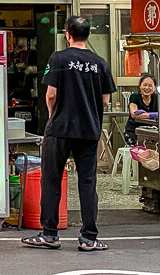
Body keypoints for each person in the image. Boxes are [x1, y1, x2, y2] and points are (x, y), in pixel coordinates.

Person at [23, 16, 115, 252]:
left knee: (52, 180)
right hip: (89, 130)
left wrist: (53, 114)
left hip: (61, 129)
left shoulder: (59, 59)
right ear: (88, 34)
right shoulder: (100, 63)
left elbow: (51, 94)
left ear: (67, 34)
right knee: (87, 183)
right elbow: (105, 99)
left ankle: (50, 234)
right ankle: (89, 237)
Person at [124, 73, 160, 146]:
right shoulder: (134, 97)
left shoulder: (157, 97)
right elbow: (134, 114)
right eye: (144, 85)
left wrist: (144, 114)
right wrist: (154, 115)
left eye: (150, 86)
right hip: (135, 132)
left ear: (154, 88)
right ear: (140, 86)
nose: (147, 88)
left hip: (153, 132)